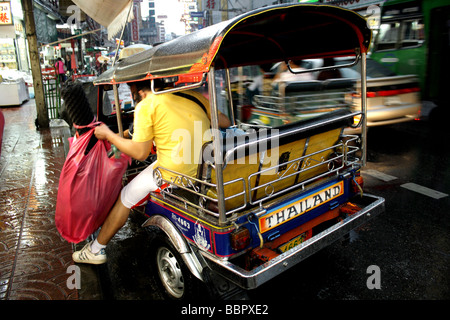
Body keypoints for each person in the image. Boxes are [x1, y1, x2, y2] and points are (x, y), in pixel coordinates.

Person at [72, 80, 230, 264]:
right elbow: (224, 121)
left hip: (174, 173)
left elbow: (140, 153)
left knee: (125, 196)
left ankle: (95, 250)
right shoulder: (192, 95)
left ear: (135, 89)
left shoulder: (146, 105)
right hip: (206, 168)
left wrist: (109, 135)